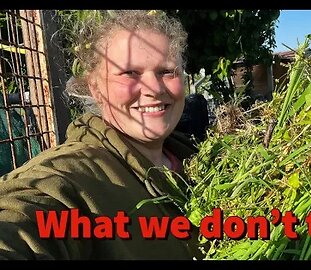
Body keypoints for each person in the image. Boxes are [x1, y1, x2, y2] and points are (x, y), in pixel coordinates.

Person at [0, 10, 204, 260]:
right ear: (96, 89)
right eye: (130, 73)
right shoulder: (74, 176)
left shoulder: (197, 157)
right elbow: (23, 222)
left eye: (166, 71)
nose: (154, 88)